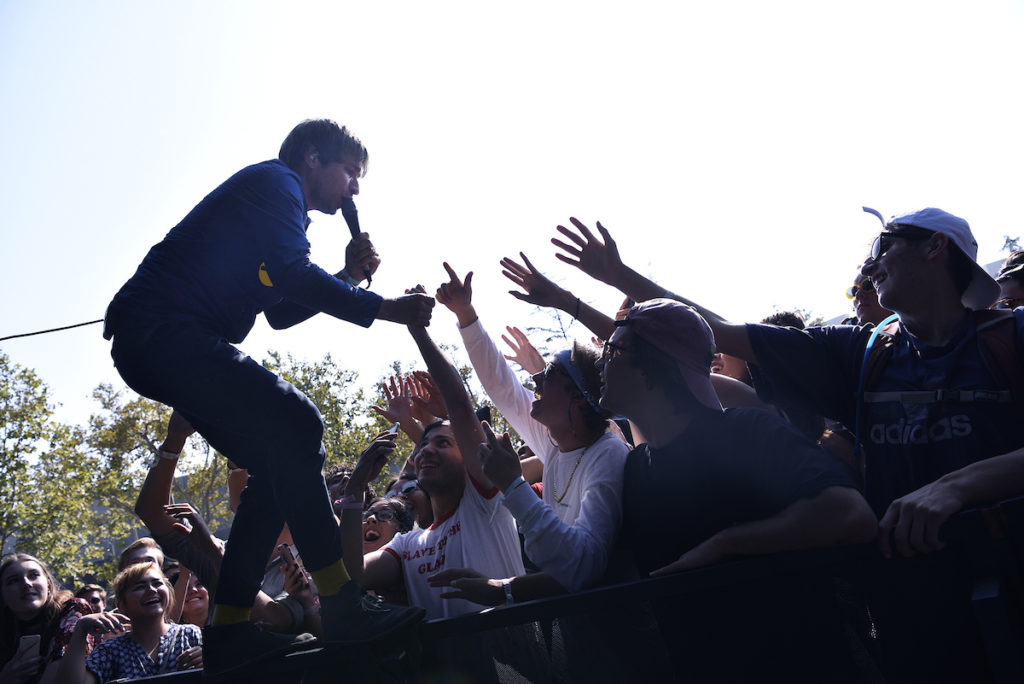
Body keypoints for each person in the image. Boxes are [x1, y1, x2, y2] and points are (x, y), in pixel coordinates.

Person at [553, 211, 1021, 682]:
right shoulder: (860, 352)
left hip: (1009, 588)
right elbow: (710, 332)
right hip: (912, 611)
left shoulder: (1011, 338)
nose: (866, 268)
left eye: (879, 248)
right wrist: (618, 278)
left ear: (936, 246)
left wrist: (958, 487)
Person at [101, 119, 430, 674]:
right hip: (164, 331)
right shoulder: (276, 183)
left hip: (156, 342)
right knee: (299, 422)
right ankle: (342, 602)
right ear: (310, 158)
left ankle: (228, 630)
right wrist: (388, 309)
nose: (356, 187)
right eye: (350, 171)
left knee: (277, 465)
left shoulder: (283, 211)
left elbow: (280, 311)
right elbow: (292, 274)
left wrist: (348, 275)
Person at [598, 299, 877, 679]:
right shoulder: (635, 469)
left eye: (612, 351)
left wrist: (725, 543)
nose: (602, 362)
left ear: (652, 369)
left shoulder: (746, 433)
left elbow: (851, 515)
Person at [429, 262, 630, 604]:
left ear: (579, 401)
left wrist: (512, 484)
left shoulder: (608, 455)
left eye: (549, 376)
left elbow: (583, 566)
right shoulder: (556, 442)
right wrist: (466, 314)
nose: (536, 381)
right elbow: (502, 386)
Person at [340, 289, 524, 620]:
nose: (426, 449)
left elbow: (459, 404)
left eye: (443, 442)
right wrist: (353, 492)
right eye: (425, 443)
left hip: (518, 668)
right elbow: (352, 575)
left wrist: (417, 329)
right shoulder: (406, 545)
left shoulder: (484, 503)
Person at [56, 562, 202, 683]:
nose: (151, 590)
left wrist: (210, 660)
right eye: (140, 587)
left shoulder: (191, 634)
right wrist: (81, 628)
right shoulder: (109, 651)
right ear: (121, 604)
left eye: (157, 583)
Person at [0, 554, 98, 684]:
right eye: (13, 580)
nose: (26, 583)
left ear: (49, 585)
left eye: (33, 575)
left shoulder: (74, 609)